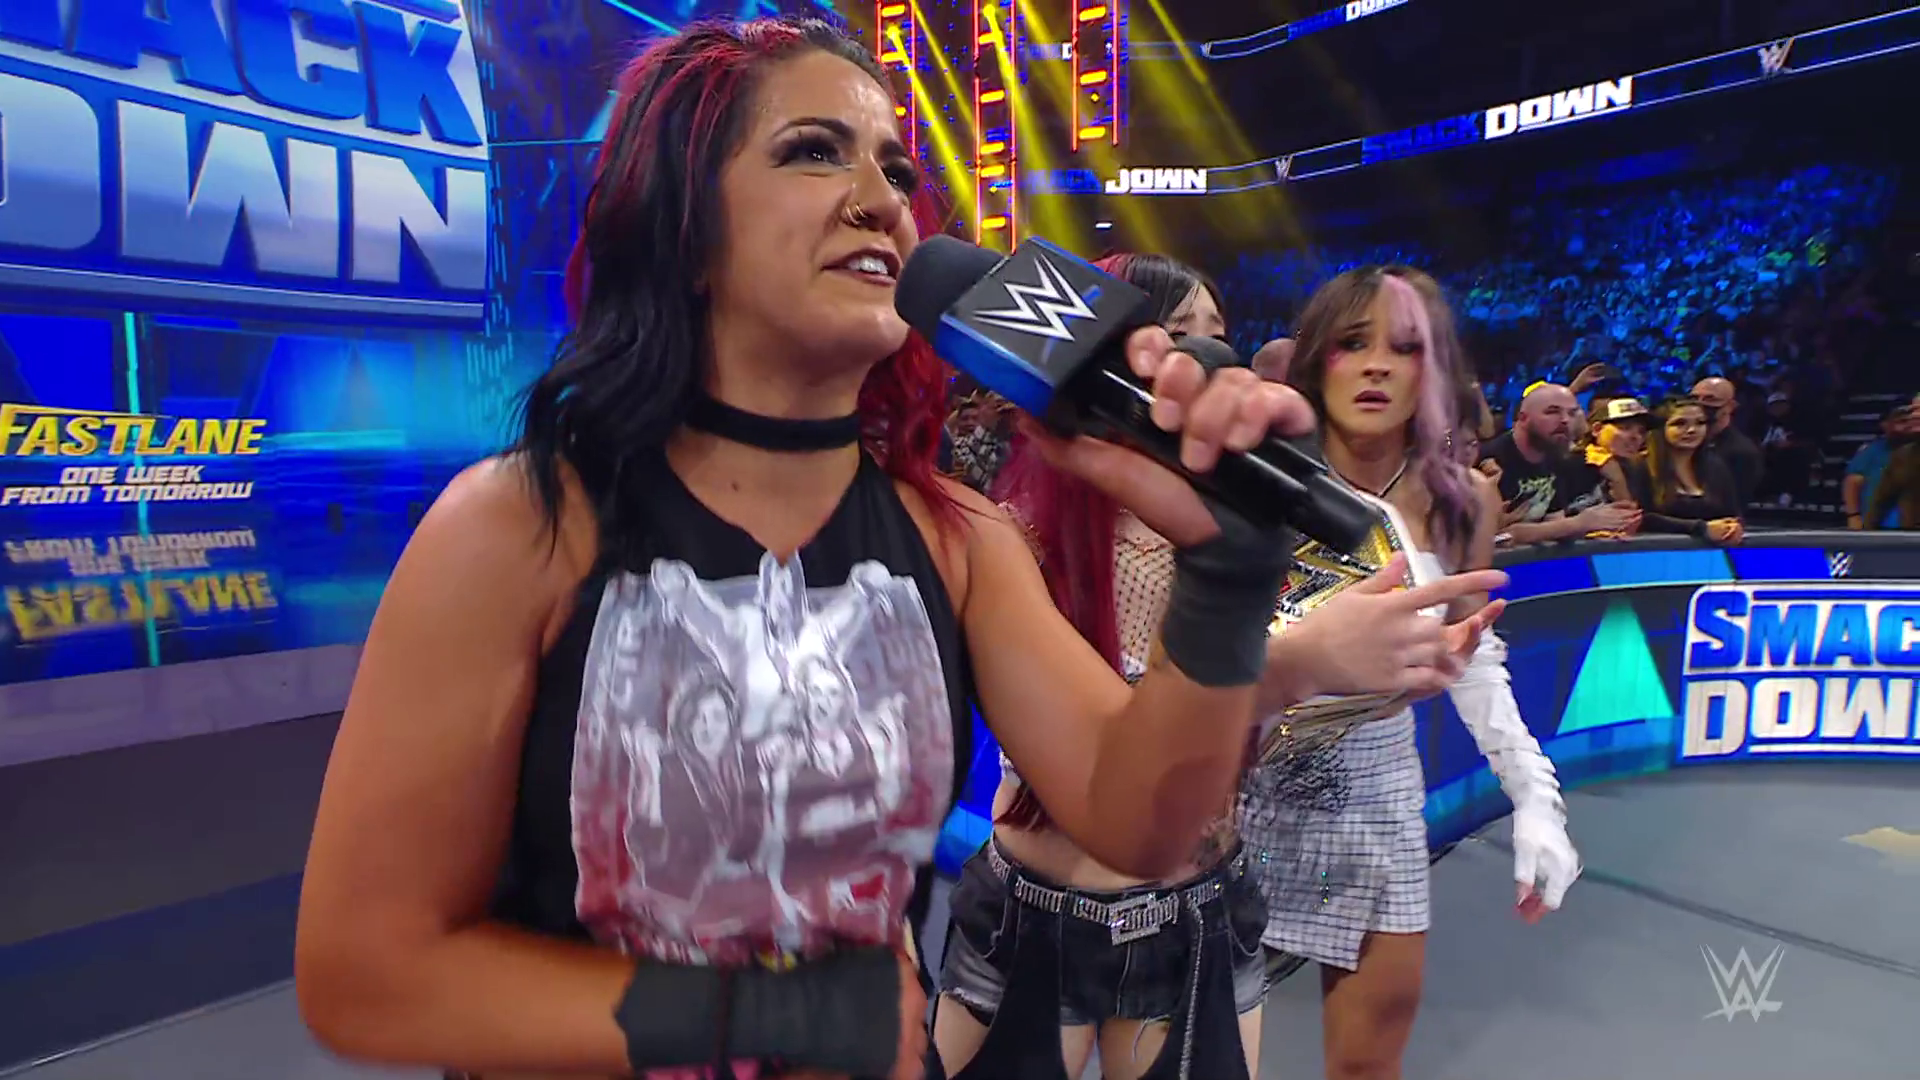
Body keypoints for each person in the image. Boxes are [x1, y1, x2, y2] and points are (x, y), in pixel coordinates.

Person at [292, 18, 1322, 1080]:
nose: (883, 199)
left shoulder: (957, 540)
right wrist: (768, 1016)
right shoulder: (519, 528)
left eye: (897, 169)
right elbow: (365, 971)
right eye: (814, 150)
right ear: (684, 222)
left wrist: (1227, 576)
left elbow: (1137, 821)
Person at [931, 255, 1504, 1080]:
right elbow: (1098, 741)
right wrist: (1297, 663)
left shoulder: (1263, 536)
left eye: (1217, 339)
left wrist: (1375, 680)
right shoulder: (1016, 532)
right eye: (1176, 338)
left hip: (1199, 913)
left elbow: (1256, 737)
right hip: (1035, 915)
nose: (1205, 365)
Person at [1241, 266, 1583, 1080]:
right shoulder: (1254, 478)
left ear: (1433, 369)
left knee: (1370, 1060)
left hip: (1379, 794)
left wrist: (1537, 799)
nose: (1376, 366)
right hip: (1236, 788)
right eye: (1352, 343)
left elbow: (1474, 657)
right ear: (1317, 358)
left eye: (1404, 348)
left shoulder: (1462, 499)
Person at [1478, 383, 1639, 545]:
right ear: (1523, 418)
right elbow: (1499, 536)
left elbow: (1555, 523)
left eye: (1572, 413)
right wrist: (1579, 523)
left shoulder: (1555, 458)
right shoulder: (1489, 461)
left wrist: (1598, 531)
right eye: (1552, 412)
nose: (1565, 420)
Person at [1622, 398, 1744, 544]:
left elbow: (1732, 512)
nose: (1692, 430)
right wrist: (1701, 528)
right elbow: (1641, 517)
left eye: (1700, 423)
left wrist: (1732, 527)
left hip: (1713, 553)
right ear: (1661, 428)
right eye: (1680, 424)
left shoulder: (1715, 466)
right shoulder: (1640, 466)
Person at [1690, 376, 1762, 509]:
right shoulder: (1685, 443)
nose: (1699, 404)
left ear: (1730, 406)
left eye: (1710, 399)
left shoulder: (1741, 452)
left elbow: (1731, 505)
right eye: (1694, 398)